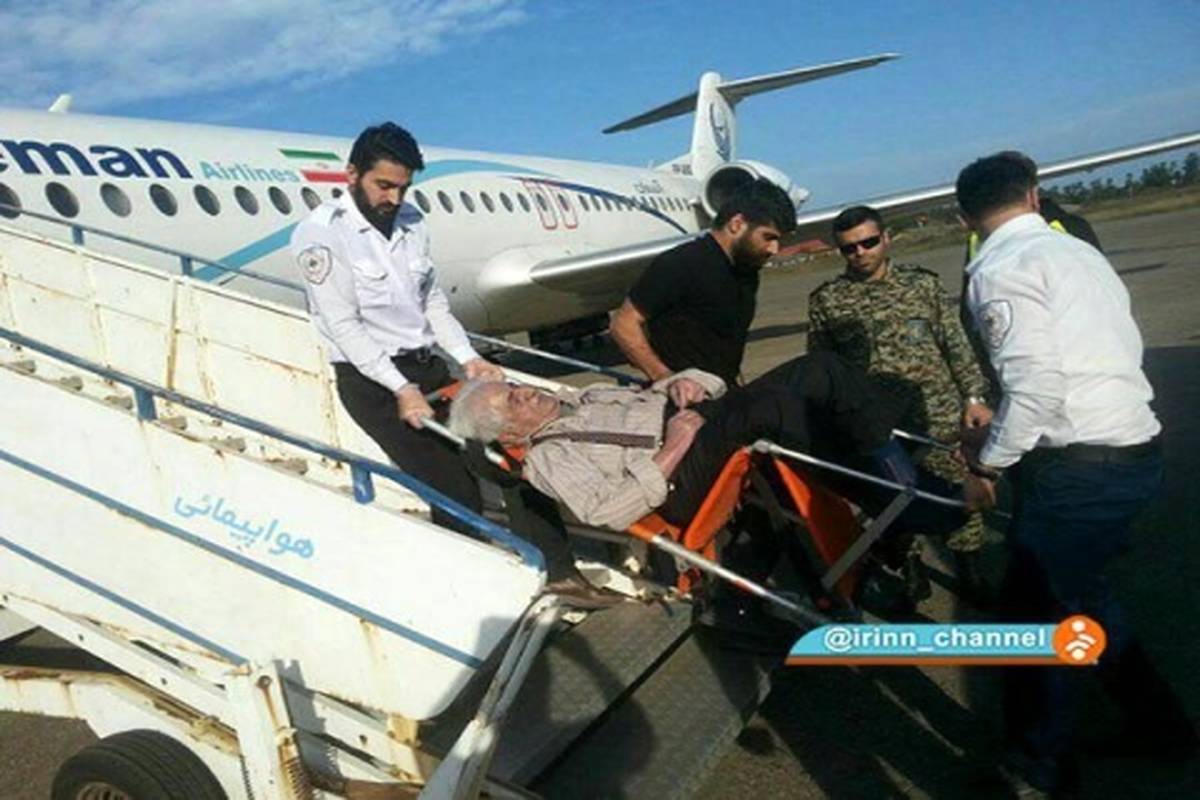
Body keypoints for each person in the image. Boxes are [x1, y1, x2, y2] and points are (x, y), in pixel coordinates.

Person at [956, 151, 1195, 795]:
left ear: (965, 218)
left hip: (1081, 471)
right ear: (1033, 197)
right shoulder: (1080, 254)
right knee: (1086, 597)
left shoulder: (1001, 269)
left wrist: (986, 462)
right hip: (1131, 448)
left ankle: (1036, 770)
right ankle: (1161, 727)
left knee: (1030, 624)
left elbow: (1035, 388)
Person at [447, 351, 959, 536]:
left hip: (694, 426)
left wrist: (688, 383)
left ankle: (895, 470)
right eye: (512, 401)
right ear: (510, 434)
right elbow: (606, 511)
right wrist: (673, 445)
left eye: (515, 386)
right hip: (675, 479)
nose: (526, 391)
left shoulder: (585, 395)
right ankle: (904, 505)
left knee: (819, 368)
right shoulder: (547, 457)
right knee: (771, 408)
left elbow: (686, 388)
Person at [289, 123, 506, 533]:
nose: (394, 198)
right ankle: (465, 564)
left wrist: (468, 357)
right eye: (384, 186)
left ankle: (554, 565)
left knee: (505, 459)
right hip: (375, 385)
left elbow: (431, 301)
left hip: (428, 369)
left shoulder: (411, 220)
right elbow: (343, 325)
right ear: (352, 174)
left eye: (403, 188)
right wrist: (402, 389)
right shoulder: (321, 234)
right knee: (455, 491)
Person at [808, 205, 993, 603]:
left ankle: (970, 570)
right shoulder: (829, 301)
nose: (860, 253)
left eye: (869, 242)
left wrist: (974, 397)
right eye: (849, 248)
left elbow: (956, 345)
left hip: (936, 410)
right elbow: (822, 368)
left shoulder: (922, 285)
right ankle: (910, 568)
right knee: (892, 496)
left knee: (956, 488)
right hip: (877, 422)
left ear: (886, 239)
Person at [609, 178, 797, 396]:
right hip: (686, 398)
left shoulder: (745, 268)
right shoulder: (681, 263)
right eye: (768, 237)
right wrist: (665, 378)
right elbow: (623, 324)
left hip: (721, 391)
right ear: (737, 224)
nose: (774, 249)